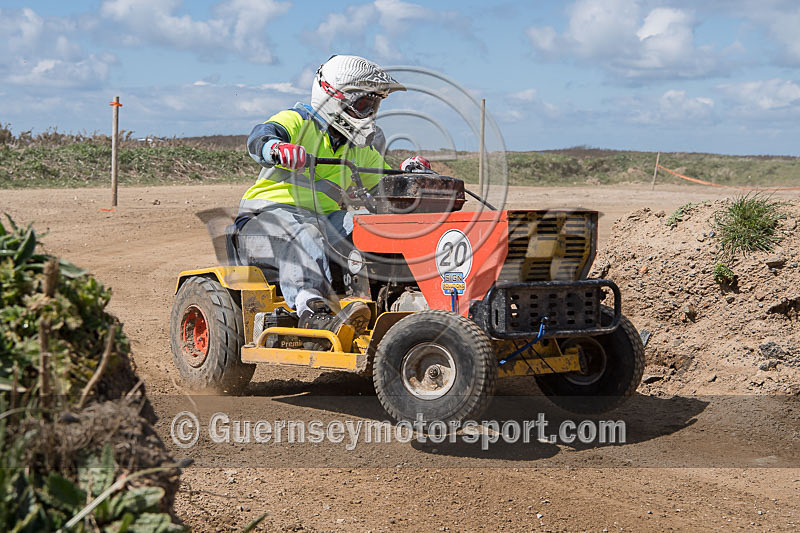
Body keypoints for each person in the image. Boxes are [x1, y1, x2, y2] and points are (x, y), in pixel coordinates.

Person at [235, 55, 429, 337]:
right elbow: (260, 136)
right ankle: (312, 311)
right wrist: (275, 148)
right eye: (363, 104)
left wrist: (409, 174)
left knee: (369, 227)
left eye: (374, 105)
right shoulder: (298, 121)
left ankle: (400, 298)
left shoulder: (358, 148)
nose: (369, 113)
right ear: (334, 98)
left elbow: (385, 184)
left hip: (324, 218)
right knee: (305, 234)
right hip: (264, 218)